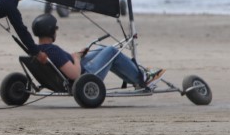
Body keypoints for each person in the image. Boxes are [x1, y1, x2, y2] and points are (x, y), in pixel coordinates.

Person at [30, 13, 165, 88]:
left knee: (102, 49)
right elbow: (75, 75)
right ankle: (142, 78)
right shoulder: (53, 51)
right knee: (112, 51)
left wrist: (77, 56)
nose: (56, 31)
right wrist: (76, 58)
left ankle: (137, 76)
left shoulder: (39, 50)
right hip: (85, 76)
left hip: (71, 70)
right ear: (50, 30)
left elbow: (64, 64)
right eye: (55, 28)